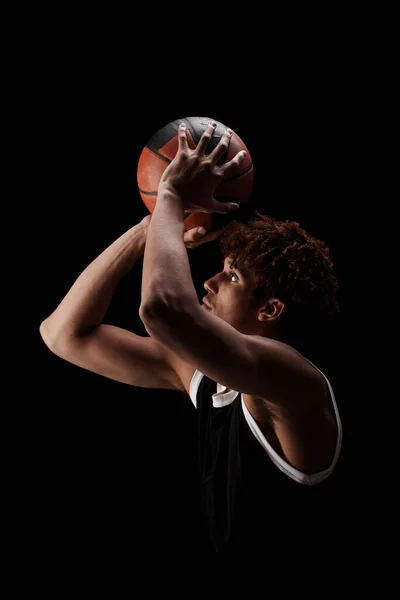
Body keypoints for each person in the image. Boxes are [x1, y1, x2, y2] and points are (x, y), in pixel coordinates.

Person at [40, 122, 343, 571]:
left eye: (233, 277)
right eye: (221, 267)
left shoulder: (291, 382)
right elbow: (64, 334)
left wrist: (171, 198)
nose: (210, 280)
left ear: (270, 310)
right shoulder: (201, 376)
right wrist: (149, 229)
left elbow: (163, 309)